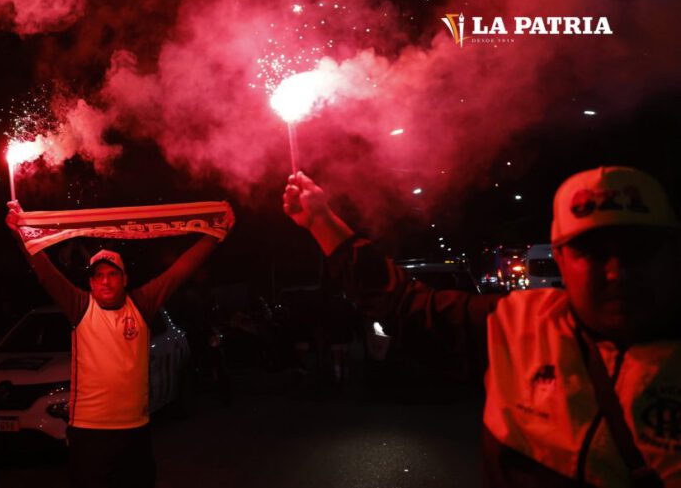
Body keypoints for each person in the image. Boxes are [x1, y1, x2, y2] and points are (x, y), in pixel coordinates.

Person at [283, 167, 681, 487]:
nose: (617, 273)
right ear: (559, 257)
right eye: (591, 252)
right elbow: (402, 305)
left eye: (638, 250)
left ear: (671, 251)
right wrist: (321, 221)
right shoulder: (516, 326)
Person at [6, 200, 233, 488]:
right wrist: (19, 233)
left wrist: (215, 234)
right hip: (89, 433)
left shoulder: (141, 303)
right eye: (98, 276)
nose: (105, 281)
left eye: (112, 274)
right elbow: (46, 273)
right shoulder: (80, 306)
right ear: (90, 283)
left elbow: (180, 271)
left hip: (134, 430)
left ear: (124, 279)